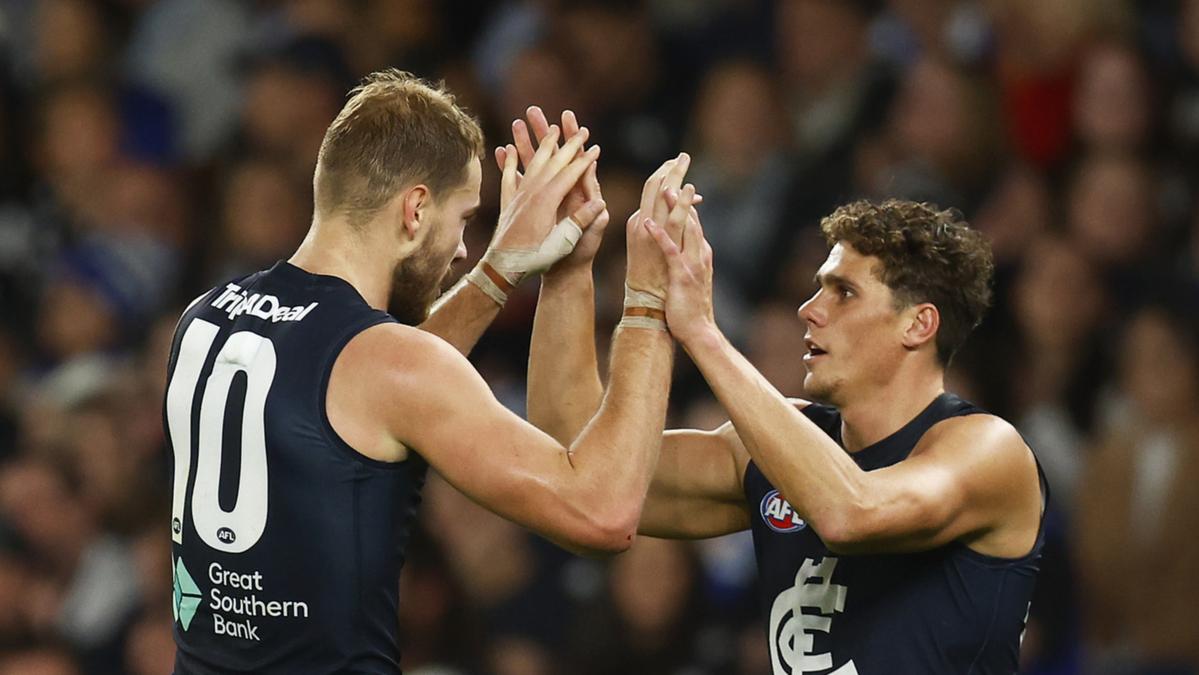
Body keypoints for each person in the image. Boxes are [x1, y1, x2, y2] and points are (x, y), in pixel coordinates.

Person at [164, 70, 681, 673]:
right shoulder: (386, 366)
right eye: (464, 219)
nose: (463, 248)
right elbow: (604, 513)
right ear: (415, 209)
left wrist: (497, 273)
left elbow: (361, 388)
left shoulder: (206, 318)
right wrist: (648, 303)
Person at [528, 179, 1048, 673]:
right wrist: (568, 264)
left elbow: (851, 512)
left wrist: (704, 335)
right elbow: (577, 454)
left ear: (918, 324)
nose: (809, 309)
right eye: (817, 288)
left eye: (843, 292)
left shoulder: (987, 449)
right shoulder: (773, 448)